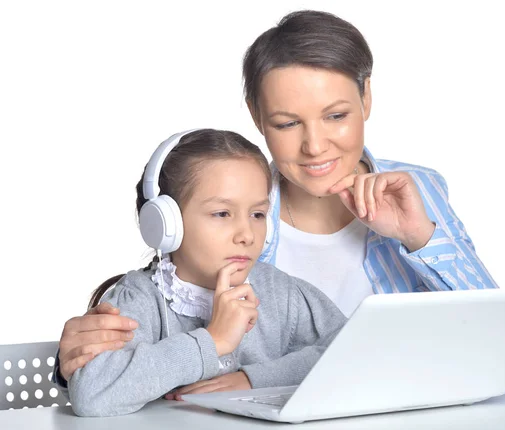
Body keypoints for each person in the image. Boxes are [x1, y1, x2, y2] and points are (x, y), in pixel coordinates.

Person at [54, 9, 499, 389]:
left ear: (366, 97)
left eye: (336, 115)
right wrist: (76, 362)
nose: (315, 146)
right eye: (287, 123)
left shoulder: (417, 188)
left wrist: (419, 236)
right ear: (256, 115)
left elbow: (497, 336)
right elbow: (167, 311)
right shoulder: (231, 210)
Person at [61, 128, 346, 417]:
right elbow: (92, 395)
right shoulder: (139, 300)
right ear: (166, 224)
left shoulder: (280, 292)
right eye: (222, 213)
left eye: (257, 214)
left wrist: (254, 379)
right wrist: (213, 341)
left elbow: (358, 351)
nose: (247, 234)